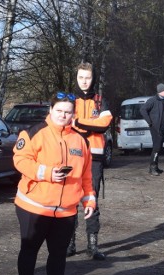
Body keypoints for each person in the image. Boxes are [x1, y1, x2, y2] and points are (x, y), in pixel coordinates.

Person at [13, 92, 97, 275]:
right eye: (59, 110)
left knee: (59, 253)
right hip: (34, 206)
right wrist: (46, 173)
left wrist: (89, 199)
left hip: (66, 210)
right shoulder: (34, 133)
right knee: (29, 250)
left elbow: (86, 173)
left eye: (67, 112)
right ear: (50, 111)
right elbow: (20, 160)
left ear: (73, 114)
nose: (63, 115)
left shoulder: (80, 140)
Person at [69, 62, 112, 260]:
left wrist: (78, 123)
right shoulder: (69, 101)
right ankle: (68, 243)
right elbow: (63, 124)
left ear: (93, 78)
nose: (84, 81)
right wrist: (89, 126)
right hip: (72, 156)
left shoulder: (100, 100)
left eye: (88, 77)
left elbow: (104, 124)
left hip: (94, 158)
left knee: (91, 198)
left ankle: (92, 245)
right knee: (69, 200)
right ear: (76, 78)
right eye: (81, 77)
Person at [140, 83, 164, 176]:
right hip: (155, 128)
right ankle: (152, 167)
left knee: (159, 147)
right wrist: (150, 122)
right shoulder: (152, 100)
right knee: (156, 148)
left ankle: (155, 166)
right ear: (161, 91)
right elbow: (143, 110)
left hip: (162, 128)